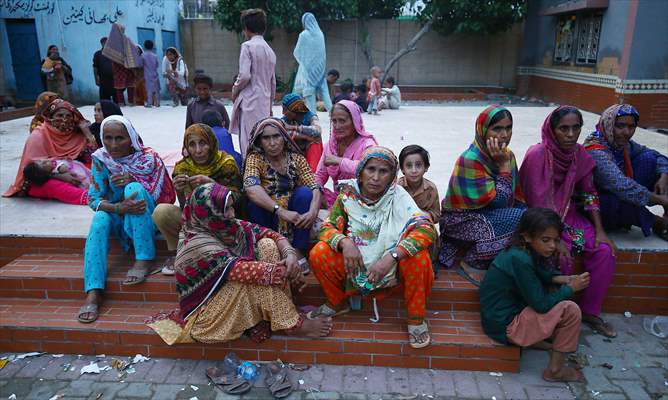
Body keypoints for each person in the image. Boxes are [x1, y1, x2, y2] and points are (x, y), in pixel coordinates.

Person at [146, 183, 333, 346]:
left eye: (231, 207)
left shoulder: (225, 225)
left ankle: (277, 314)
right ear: (209, 214)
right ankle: (292, 324)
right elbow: (245, 271)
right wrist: (292, 272)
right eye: (226, 209)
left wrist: (290, 255)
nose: (232, 214)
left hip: (229, 298)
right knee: (259, 280)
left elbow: (269, 233)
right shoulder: (198, 244)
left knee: (267, 245)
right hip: (208, 319)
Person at [309, 146, 437, 348]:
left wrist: (392, 256)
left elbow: (427, 229)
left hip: (391, 268)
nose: (376, 178)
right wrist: (345, 242)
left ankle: (416, 319)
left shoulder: (399, 196)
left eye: (383, 171)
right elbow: (327, 228)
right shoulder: (348, 196)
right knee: (319, 253)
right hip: (355, 265)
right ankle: (337, 302)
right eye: (371, 169)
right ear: (360, 172)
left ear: (391, 176)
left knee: (419, 258)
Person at [520, 105, 616, 338]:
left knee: (604, 252)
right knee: (560, 254)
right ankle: (557, 317)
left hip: (570, 217)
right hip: (540, 220)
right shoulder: (538, 155)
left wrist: (600, 230)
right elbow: (534, 201)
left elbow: (590, 193)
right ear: (552, 130)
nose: (571, 134)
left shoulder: (579, 155)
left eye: (576, 128)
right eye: (564, 129)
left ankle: (590, 312)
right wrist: (556, 238)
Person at [78, 115, 175, 323]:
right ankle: (93, 291)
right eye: (108, 138)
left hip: (147, 219)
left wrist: (135, 180)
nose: (113, 145)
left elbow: (168, 196)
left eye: (119, 138)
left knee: (133, 188)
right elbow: (93, 199)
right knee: (100, 218)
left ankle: (143, 258)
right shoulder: (101, 159)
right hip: (119, 217)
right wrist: (117, 207)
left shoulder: (149, 158)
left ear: (131, 138)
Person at [480, 207, 589, 383]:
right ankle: (555, 371)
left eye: (555, 240)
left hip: (502, 318)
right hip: (504, 326)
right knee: (571, 310)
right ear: (527, 236)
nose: (552, 246)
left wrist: (567, 279)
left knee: (553, 286)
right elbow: (540, 305)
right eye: (546, 240)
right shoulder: (520, 258)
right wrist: (570, 288)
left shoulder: (522, 251)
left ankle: (536, 340)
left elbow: (542, 274)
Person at [439, 106, 526, 284]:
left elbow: (514, 197)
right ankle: (473, 262)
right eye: (497, 129)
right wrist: (503, 169)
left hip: (490, 215)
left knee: (531, 218)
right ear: (483, 130)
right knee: (519, 219)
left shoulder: (507, 156)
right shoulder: (471, 159)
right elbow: (499, 201)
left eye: (508, 128)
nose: (504, 135)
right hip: (460, 221)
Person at [152, 123, 242, 274]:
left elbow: (239, 199)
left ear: (211, 143)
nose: (198, 150)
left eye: (203, 143)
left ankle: (216, 252)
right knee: (161, 211)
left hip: (224, 222)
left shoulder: (226, 163)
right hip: (193, 223)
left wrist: (213, 186)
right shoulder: (182, 168)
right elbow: (183, 207)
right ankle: (179, 253)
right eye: (192, 145)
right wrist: (179, 191)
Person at [583, 104, 668, 240]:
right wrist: (660, 200)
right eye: (620, 126)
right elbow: (622, 186)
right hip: (597, 207)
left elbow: (658, 156)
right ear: (609, 124)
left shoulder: (622, 144)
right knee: (615, 200)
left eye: (631, 127)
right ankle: (655, 222)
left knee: (649, 159)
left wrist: (663, 176)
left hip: (623, 196)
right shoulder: (595, 150)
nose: (626, 132)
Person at [244, 118, 321, 267]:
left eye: (276, 136)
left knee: (305, 194)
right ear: (259, 141)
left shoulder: (296, 159)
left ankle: (298, 249)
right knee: (254, 203)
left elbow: (314, 186)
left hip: (295, 219)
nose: (272, 143)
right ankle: (269, 246)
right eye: (266, 138)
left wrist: (313, 211)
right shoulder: (255, 159)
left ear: (284, 137)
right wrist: (280, 211)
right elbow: (251, 188)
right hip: (270, 214)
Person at [4, 99, 97, 205]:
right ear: (50, 117)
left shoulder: (75, 133)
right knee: (52, 186)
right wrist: (60, 176)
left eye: (68, 116)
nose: (64, 120)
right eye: (59, 115)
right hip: (43, 179)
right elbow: (31, 172)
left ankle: (99, 189)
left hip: (75, 173)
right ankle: (90, 198)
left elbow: (92, 157)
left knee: (96, 168)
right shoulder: (38, 136)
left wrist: (88, 134)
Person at [230, 8, 276, 158]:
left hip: (249, 101)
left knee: (248, 142)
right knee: (263, 141)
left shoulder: (247, 46)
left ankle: (249, 175)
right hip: (264, 102)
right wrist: (270, 105)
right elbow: (272, 82)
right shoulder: (270, 51)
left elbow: (244, 76)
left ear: (246, 29)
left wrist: (235, 90)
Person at [315, 100, 377, 208]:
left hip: (362, 202)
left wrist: (339, 161)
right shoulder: (330, 146)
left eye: (342, 121)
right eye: (334, 121)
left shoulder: (368, 145)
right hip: (338, 199)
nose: (337, 126)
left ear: (355, 121)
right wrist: (316, 192)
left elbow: (370, 169)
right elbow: (320, 175)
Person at [292, 12, 331, 113]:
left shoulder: (304, 35)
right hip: (320, 70)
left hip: (307, 71)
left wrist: (304, 62)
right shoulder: (320, 34)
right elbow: (322, 53)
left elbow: (297, 52)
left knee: (307, 93)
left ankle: (313, 116)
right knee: (325, 93)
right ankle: (332, 112)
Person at [281, 93, 323, 172]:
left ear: (294, 109)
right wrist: (304, 136)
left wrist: (295, 128)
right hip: (294, 151)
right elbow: (280, 131)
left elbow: (317, 130)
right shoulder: (285, 119)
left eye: (285, 109)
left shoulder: (311, 117)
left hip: (308, 149)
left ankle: (312, 173)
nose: (283, 112)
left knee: (316, 139)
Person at [398, 145, 440, 223]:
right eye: (409, 166)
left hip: (422, 226)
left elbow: (437, 215)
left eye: (418, 165)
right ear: (402, 169)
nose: (414, 170)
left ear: (426, 167)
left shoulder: (431, 189)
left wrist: (423, 215)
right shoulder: (396, 188)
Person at [102, 24, 142, 106]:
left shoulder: (111, 42)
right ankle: (131, 102)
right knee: (129, 84)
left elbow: (107, 52)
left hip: (116, 66)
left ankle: (121, 103)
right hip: (126, 65)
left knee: (119, 85)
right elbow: (133, 49)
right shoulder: (126, 40)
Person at [23, 158, 91, 190]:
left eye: (41, 160)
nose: (45, 160)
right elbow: (64, 168)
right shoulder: (57, 168)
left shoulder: (53, 162)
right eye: (44, 163)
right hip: (82, 177)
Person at [93, 37, 115, 102]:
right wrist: (96, 79)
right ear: (101, 44)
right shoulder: (98, 54)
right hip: (103, 80)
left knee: (117, 101)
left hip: (114, 80)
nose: (106, 44)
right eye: (104, 43)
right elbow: (95, 67)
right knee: (105, 101)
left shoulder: (114, 53)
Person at [141, 40, 160, 108]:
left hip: (147, 74)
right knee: (156, 89)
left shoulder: (143, 55)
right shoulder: (155, 56)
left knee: (149, 89)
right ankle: (157, 103)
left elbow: (140, 64)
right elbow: (157, 65)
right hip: (155, 73)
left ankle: (149, 103)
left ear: (144, 46)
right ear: (152, 47)